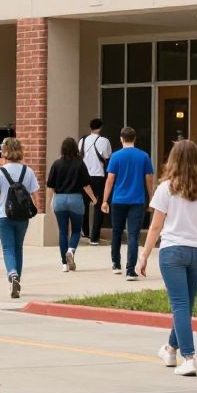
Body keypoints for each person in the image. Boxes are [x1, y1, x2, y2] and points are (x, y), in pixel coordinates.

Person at [138, 140, 197, 377]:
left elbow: (155, 226)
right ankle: (170, 349)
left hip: (172, 251)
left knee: (181, 306)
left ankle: (189, 357)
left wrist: (143, 256)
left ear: (172, 159)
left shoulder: (165, 188)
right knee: (186, 305)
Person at [0, 137, 40, 299]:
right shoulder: (27, 171)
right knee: (18, 248)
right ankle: (18, 280)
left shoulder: (0, 172)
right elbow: (35, 193)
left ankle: (12, 275)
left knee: (8, 248)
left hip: (4, 215)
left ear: (5, 152)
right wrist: (37, 208)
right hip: (22, 216)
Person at [100, 126, 154, 280]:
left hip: (118, 200)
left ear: (121, 139)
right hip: (137, 200)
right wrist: (151, 198)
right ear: (135, 139)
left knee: (116, 232)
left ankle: (116, 264)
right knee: (133, 235)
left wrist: (105, 200)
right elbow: (149, 178)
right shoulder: (144, 156)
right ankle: (130, 269)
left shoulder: (116, 157)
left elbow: (110, 179)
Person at [46, 137, 97, 272]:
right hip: (75, 199)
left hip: (60, 199)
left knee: (63, 232)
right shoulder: (80, 163)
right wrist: (94, 198)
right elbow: (86, 185)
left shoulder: (56, 164)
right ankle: (71, 250)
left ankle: (64, 264)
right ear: (76, 149)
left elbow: (50, 186)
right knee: (75, 231)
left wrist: (49, 202)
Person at [79, 118, 113, 245]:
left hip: (84, 177)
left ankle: (85, 232)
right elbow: (107, 156)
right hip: (98, 176)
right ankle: (94, 236)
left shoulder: (82, 141)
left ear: (90, 127)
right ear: (101, 127)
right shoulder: (104, 141)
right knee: (98, 205)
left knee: (84, 205)